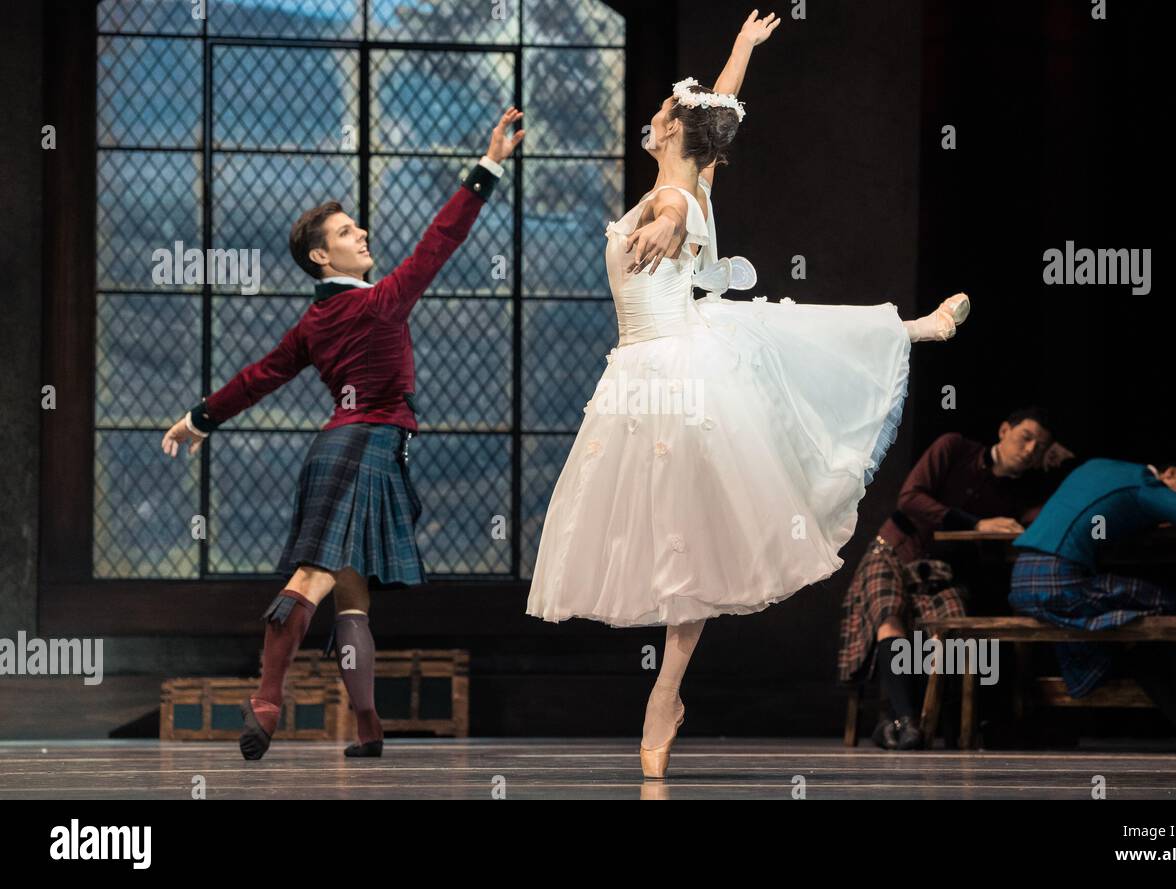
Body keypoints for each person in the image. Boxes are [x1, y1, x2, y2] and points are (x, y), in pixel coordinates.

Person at [524, 11, 971, 779]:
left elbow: (678, 199)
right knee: (676, 540)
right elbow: (719, 114)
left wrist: (669, 223)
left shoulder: (677, 200)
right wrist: (740, 50)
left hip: (678, 371)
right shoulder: (691, 177)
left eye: (664, 112)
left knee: (702, 514)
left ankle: (664, 696)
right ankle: (667, 693)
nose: (655, 115)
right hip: (640, 374)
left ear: (673, 134)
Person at [160, 109, 525, 760]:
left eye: (356, 225)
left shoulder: (314, 322)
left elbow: (259, 376)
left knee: (351, 596)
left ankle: (368, 726)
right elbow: (443, 238)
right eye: (346, 230)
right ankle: (268, 701)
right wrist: (488, 166)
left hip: (341, 446)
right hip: (369, 447)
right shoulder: (379, 300)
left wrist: (200, 419)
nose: (361, 233)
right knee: (314, 576)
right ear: (321, 255)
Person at [836, 407, 1071, 749]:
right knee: (889, 615)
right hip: (896, 551)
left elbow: (1052, 513)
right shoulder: (955, 448)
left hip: (941, 570)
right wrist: (974, 523)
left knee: (953, 631)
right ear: (1004, 430)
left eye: (1041, 446)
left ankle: (930, 723)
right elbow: (911, 498)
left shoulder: (1021, 494)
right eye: (1026, 438)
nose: (1030, 449)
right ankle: (907, 722)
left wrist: (1061, 466)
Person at [1009, 457, 1176, 750]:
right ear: (1171, 471)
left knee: (1133, 644)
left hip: (1021, 579)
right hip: (1060, 582)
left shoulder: (1095, 467)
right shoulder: (1145, 486)